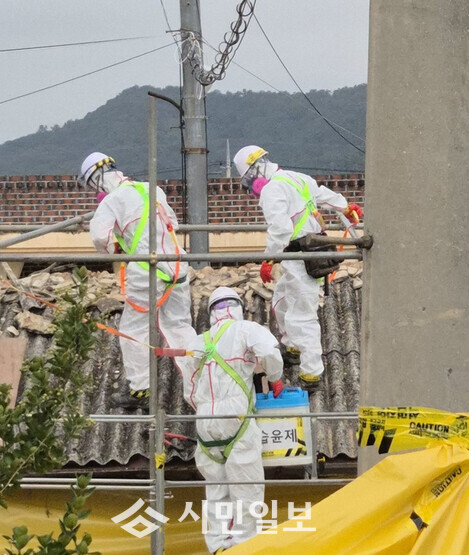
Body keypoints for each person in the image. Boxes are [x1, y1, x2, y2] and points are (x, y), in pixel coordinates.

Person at [233, 145, 363, 391]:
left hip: (299, 257)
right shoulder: (295, 177)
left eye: (248, 180)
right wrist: (345, 207)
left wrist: (269, 259)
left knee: (302, 317)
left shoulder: (272, 190)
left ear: (254, 172)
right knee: (281, 301)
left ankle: (311, 374)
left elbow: (281, 229)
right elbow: (323, 194)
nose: (251, 187)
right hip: (309, 253)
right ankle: (292, 348)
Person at [79, 151, 196, 409]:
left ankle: (140, 390)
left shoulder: (111, 201)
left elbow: (100, 237)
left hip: (147, 271)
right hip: (177, 266)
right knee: (179, 327)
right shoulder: (152, 189)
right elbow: (173, 224)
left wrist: (115, 249)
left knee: (134, 329)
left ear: (96, 180)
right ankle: (200, 380)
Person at [179, 287, 284, 554]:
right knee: (246, 487)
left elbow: (189, 389)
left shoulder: (198, 342)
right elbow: (269, 351)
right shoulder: (246, 329)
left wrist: (204, 408)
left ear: (211, 313)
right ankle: (244, 547)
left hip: (206, 421)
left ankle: (218, 546)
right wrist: (274, 377)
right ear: (238, 308)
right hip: (236, 416)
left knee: (216, 489)